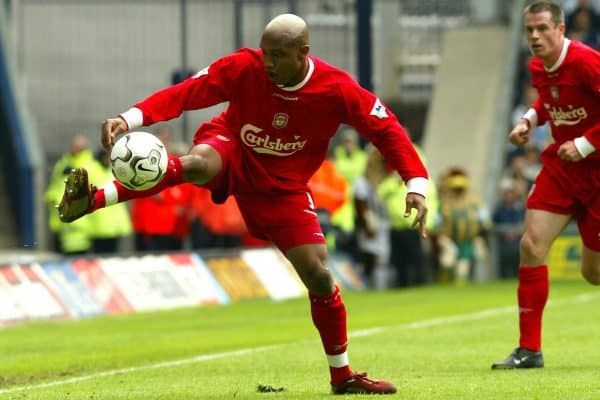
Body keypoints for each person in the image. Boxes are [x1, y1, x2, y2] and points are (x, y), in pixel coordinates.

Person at [57, 14, 429, 394]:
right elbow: (186, 92)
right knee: (197, 164)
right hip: (232, 146)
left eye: (279, 55)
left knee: (318, 273)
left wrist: (415, 182)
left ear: (303, 53)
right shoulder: (244, 67)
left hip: (283, 187)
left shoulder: (337, 88)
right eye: (265, 53)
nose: (268, 63)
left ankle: (342, 376)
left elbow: (387, 129)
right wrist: (130, 117)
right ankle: (93, 200)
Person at [492, 1, 600, 369]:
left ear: (561, 29)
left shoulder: (587, 62)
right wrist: (527, 120)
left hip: (597, 169)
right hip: (561, 168)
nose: (534, 37)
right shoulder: (537, 65)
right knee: (531, 244)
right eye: (529, 31)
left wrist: (585, 144)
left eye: (541, 29)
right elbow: (548, 100)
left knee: (593, 273)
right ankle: (529, 350)